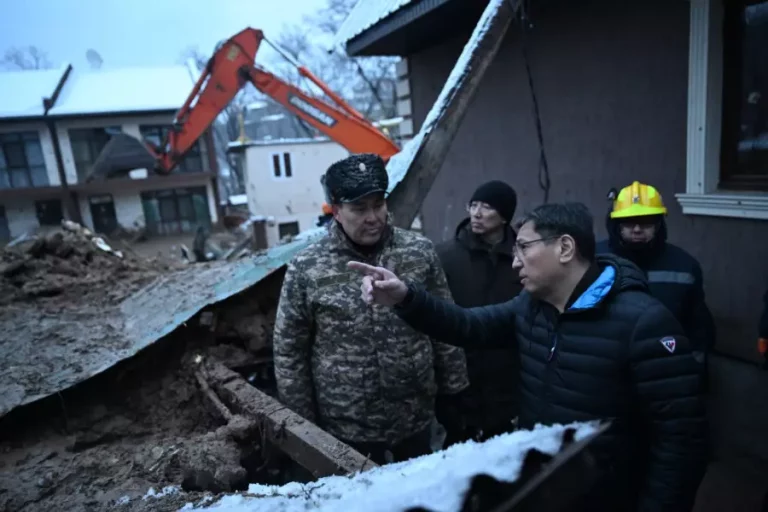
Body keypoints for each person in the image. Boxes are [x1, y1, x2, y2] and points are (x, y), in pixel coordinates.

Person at [348, 202, 708, 511]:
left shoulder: (644, 323)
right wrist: (405, 298)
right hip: (546, 490)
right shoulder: (532, 307)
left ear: (565, 248)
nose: (515, 262)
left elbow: (681, 443)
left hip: (610, 498)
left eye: (523, 248)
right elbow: (469, 326)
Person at [272, 153, 469, 465]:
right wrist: (304, 426)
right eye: (359, 208)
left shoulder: (418, 252)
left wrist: (455, 393)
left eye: (378, 204)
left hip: (415, 418)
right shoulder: (308, 266)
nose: (373, 216)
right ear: (336, 211)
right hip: (346, 428)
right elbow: (289, 349)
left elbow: (444, 325)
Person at [435, 180, 523, 443]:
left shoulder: (523, 258)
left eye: (486, 207)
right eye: (473, 205)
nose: (476, 213)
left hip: (510, 376)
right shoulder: (445, 256)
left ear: (505, 216)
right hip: (460, 378)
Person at [596, 181, 716, 366]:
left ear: (659, 224)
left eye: (645, 221)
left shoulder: (684, 265)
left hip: (665, 363)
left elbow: (697, 325)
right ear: (616, 224)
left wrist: (694, 367)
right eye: (629, 221)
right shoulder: (595, 260)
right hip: (608, 363)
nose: (637, 229)